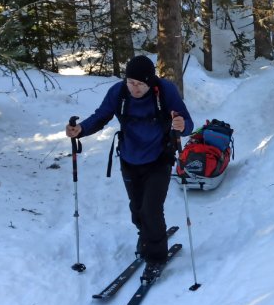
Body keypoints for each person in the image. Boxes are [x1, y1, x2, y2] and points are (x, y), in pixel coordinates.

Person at [66, 55, 194, 282]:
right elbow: (101, 116)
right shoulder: (119, 92)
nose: (134, 88)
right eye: (130, 83)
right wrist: (81, 130)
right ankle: (145, 235)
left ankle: (155, 257)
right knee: (136, 209)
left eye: (139, 84)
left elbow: (186, 123)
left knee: (151, 209)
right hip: (129, 157)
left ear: (150, 82)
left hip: (159, 158)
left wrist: (181, 125)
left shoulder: (165, 91)